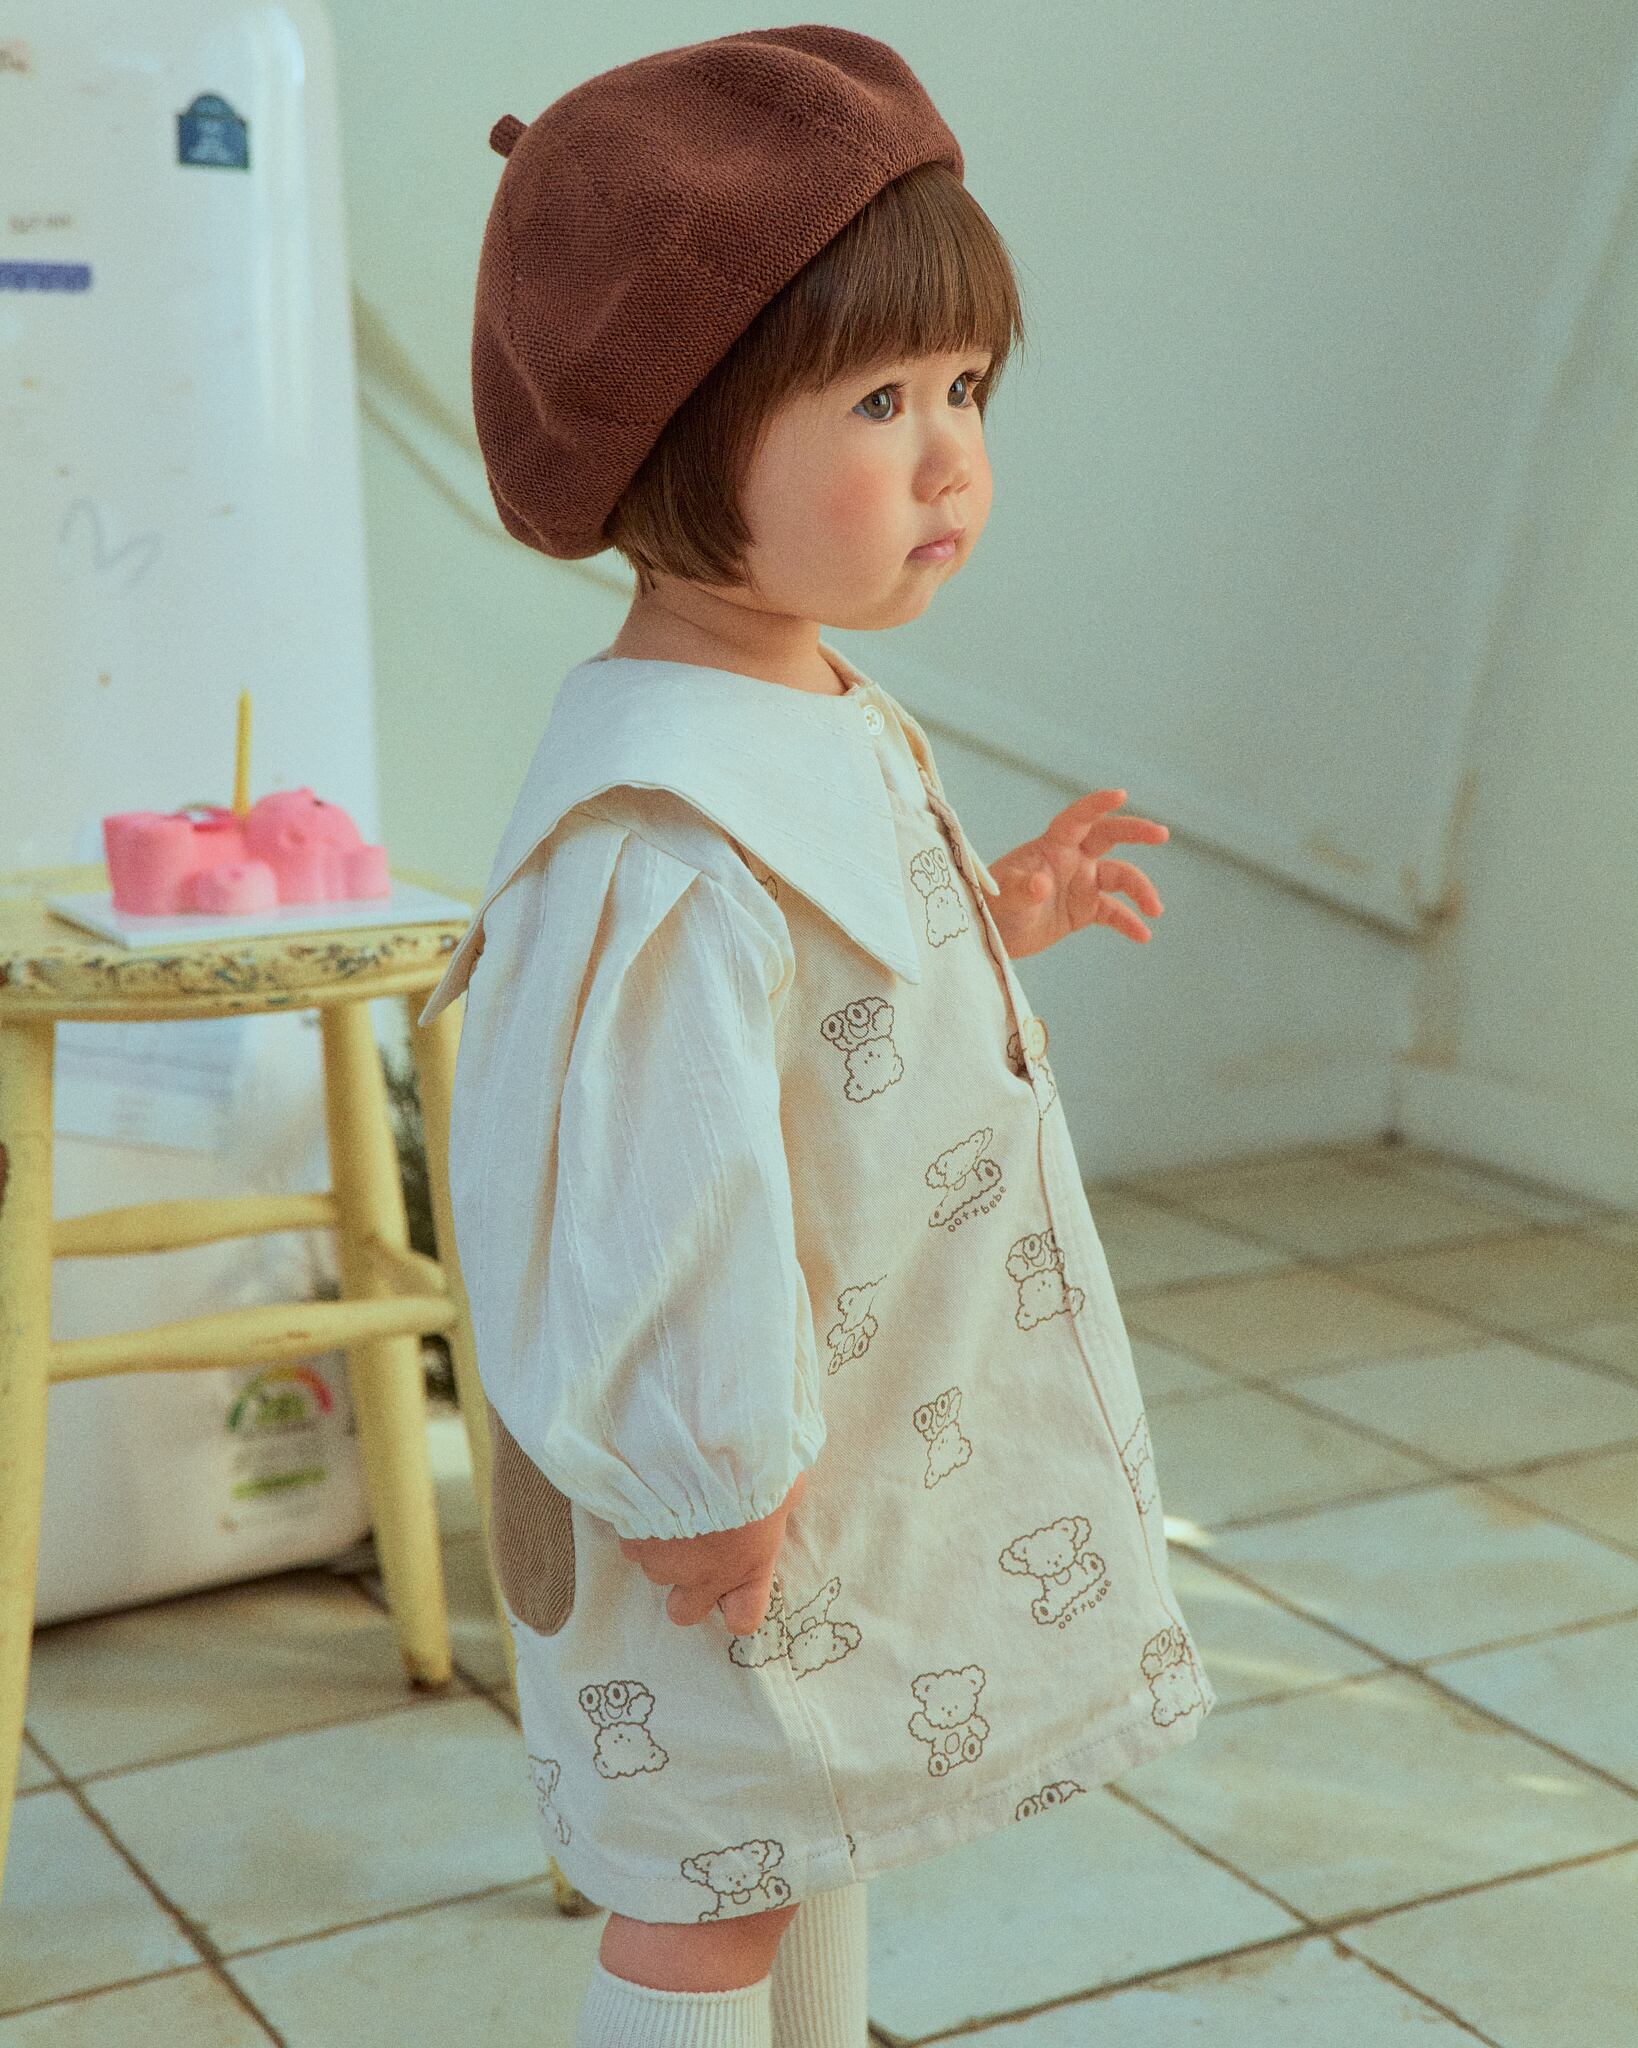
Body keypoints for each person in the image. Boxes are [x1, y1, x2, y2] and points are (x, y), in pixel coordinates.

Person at [415, 26, 1217, 2047]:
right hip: (723, 1476)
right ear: (677, 439)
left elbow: (815, 994)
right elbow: (655, 1182)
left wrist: (987, 920)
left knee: (812, 1817)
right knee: (714, 1876)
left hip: (830, 1427)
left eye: (967, 388)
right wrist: (704, 1469)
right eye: (878, 400)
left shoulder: (804, 706)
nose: (952, 460)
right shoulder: (660, 834)